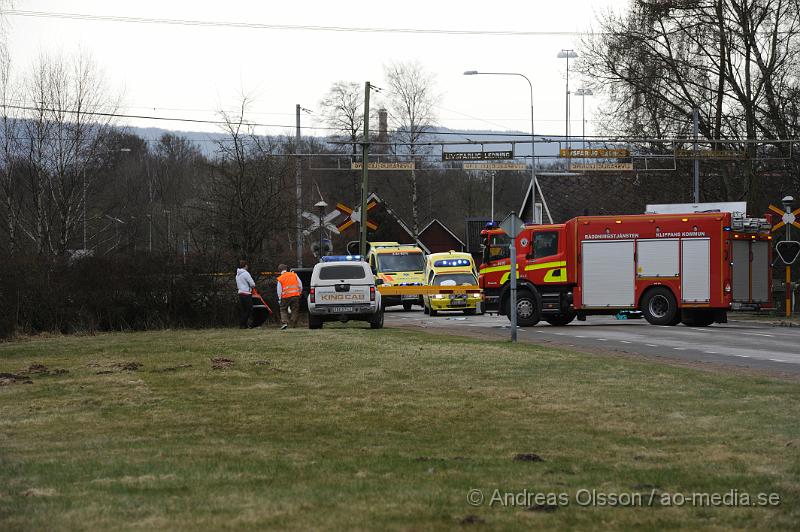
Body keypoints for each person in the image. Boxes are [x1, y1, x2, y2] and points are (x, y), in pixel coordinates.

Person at [276, 263, 302, 329]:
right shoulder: (294, 275)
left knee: (283, 309)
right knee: (295, 310)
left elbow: (279, 290)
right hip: (295, 295)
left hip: (285, 297)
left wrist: (279, 298)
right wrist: (299, 293)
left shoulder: (280, 278)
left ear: (279, 271)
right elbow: (300, 285)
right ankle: (293, 324)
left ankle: (285, 322)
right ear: (286, 269)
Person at [236, 259, 256, 329]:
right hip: (246, 293)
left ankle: (244, 325)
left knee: (244, 310)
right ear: (246, 266)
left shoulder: (237, 275)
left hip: (240, 293)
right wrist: (253, 286)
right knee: (249, 309)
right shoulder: (246, 273)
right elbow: (252, 284)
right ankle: (242, 324)